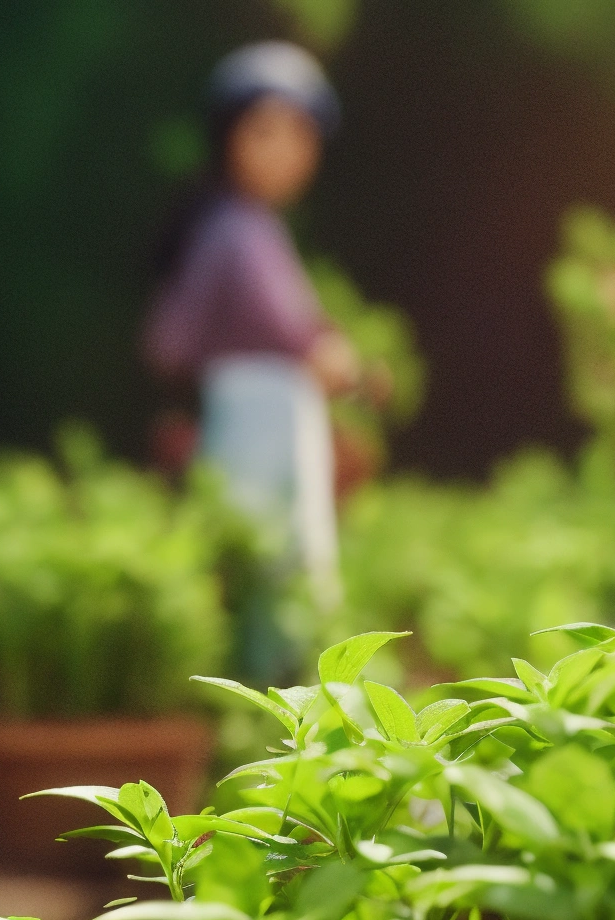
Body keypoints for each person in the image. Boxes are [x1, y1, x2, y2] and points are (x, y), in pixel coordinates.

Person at [144, 41, 363, 681]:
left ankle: (270, 703)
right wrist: (326, 355)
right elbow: (290, 332)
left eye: (301, 133)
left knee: (277, 568)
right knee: (270, 569)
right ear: (228, 136)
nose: (284, 149)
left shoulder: (248, 225)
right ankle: (269, 713)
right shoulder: (237, 228)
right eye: (265, 130)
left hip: (269, 415)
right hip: (256, 420)